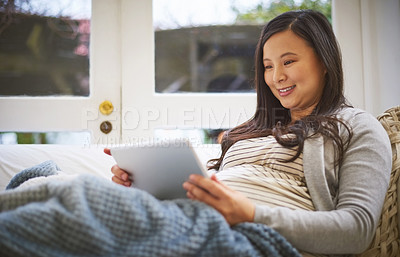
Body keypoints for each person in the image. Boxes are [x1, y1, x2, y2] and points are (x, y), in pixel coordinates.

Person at [108, 9, 392, 255]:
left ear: (325, 62)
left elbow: (357, 229)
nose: (276, 76)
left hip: (261, 242)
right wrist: (144, 186)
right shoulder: (249, 132)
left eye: (289, 61)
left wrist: (251, 215)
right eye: (268, 66)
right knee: (93, 199)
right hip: (195, 226)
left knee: (79, 199)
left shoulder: (357, 126)